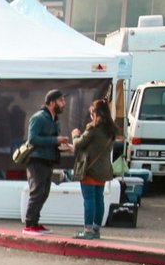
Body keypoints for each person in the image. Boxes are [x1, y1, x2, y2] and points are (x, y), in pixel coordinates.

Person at [23, 89, 73, 235]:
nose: (64, 103)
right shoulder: (38, 117)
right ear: (52, 103)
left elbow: (49, 140)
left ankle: (35, 223)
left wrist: (63, 146)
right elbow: (32, 139)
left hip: (48, 160)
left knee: (44, 193)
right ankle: (29, 225)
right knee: (37, 192)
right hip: (36, 160)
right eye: (61, 100)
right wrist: (55, 140)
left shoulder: (54, 119)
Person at [71, 99, 116, 241]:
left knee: (88, 200)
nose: (91, 116)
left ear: (96, 114)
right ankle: (96, 229)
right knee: (99, 199)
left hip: (90, 170)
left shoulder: (93, 129)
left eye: (92, 114)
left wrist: (75, 135)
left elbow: (78, 144)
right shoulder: (112, 130)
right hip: (103, 170)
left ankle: (88, 230)